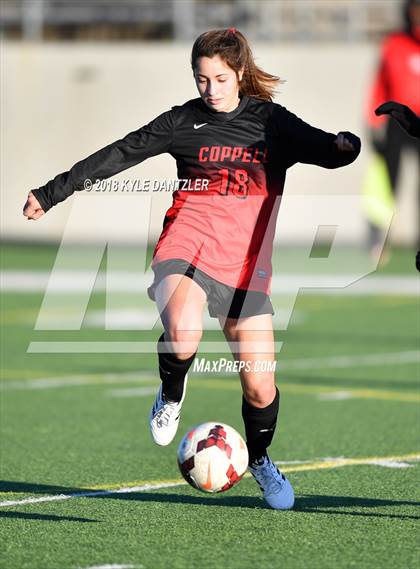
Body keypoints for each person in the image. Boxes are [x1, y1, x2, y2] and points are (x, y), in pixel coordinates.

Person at [22, 27, 360, 510]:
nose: (210, 89)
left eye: (220, 79)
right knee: (182, 332)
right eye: (202, 79)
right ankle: (171, 391)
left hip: (245, 266)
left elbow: (326, 150)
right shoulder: (183, 122)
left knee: (260, 386)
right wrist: (53, 191)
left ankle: (261, 460)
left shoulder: (270, 122)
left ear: (240, 74)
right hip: (188, 245)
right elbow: (119, 153)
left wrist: (346, 147)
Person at [364, 0, 420, 254]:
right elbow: (380, 84)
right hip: (398, 123)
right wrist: (373, 121)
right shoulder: (394, 43)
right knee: (389, 183)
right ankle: (381, 239)